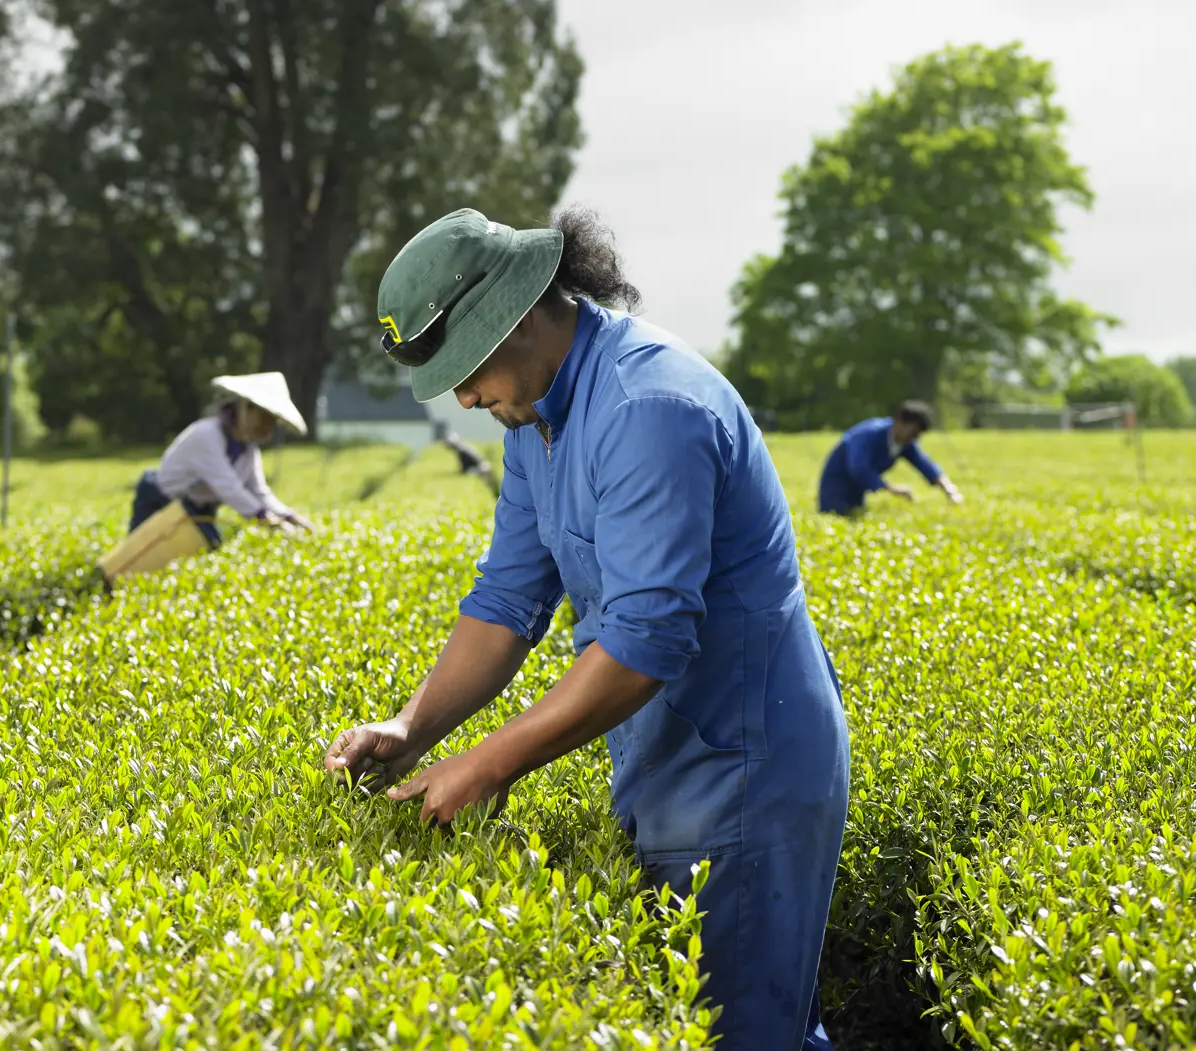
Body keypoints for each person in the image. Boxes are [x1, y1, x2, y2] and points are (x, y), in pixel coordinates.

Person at [324, 206, 850, 1050]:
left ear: (523, 313)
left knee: (747, 1028)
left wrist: (490, 762)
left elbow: (646, 641)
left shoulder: (650, 408)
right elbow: (506, 599)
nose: (464, 396)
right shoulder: (533, 416)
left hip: (744, 763)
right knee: (707, 1017)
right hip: (662, 756)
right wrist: (414, 727)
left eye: (469, 368)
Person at [130, 372, 315, 545]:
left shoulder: (248, 450)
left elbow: (259, 491)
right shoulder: (206, 435)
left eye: (272, 421)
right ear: (245, 407)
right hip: (160, 501)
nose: (268, 427)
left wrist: (289, 516)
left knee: (209, 546)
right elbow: (228, 487)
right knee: (133, 560)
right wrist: (262, 516)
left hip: (197, 510)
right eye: (264, 417)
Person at [817, 401, 963, 517]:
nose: (914, 438)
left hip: (858, 488)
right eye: (913, 432)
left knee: (855, 516)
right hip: (836, 484)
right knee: (835, 516)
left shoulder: (905, 443)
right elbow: (858, 467)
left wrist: (950, 490)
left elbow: (924, 464)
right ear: (899, 422)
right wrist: (892, 489)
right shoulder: (870, 434)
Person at [435, 422, 499, 496]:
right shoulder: (462, 447)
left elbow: (465, 467)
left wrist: (459, 474)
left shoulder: (461, 450)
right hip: (481, 466)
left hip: (481, 468)